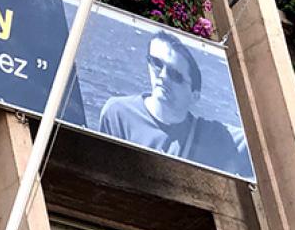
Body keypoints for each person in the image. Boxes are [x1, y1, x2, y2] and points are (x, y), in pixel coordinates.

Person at [99, 31, 250, 177]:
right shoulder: (118, 113)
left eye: (176, 75)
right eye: (157, 63)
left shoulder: (212, 136)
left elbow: (257, 139)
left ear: (194, 96)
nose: (163, 76)